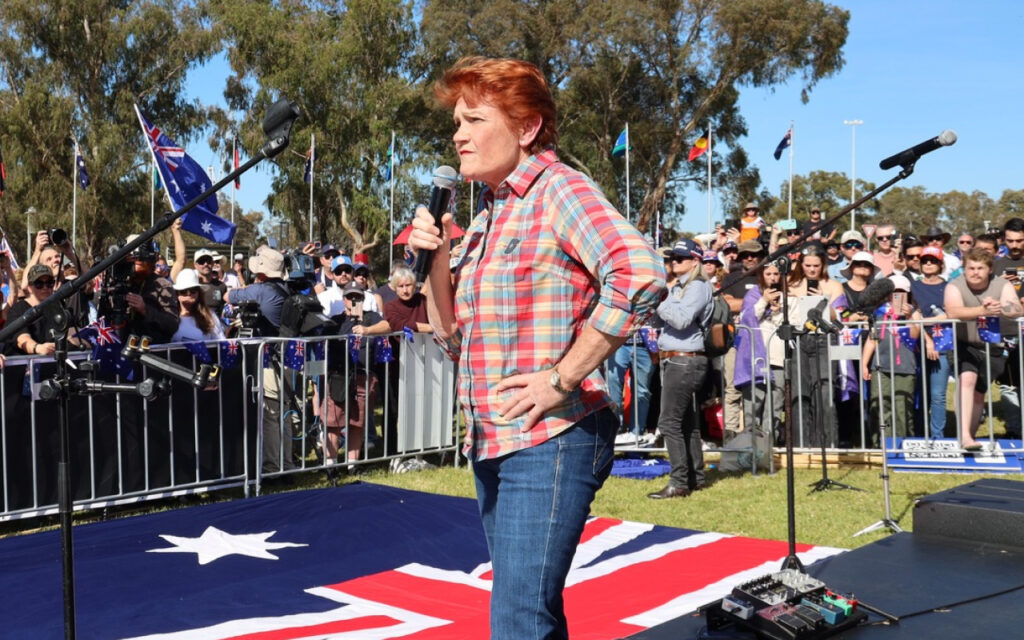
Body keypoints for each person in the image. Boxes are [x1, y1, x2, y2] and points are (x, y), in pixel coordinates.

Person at [407, 56, 665, 640]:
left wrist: (562, 377)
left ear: (525, 128)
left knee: (520, 616)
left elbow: (640, 272)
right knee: (530, 607)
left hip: (552, 436)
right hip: (493, 436)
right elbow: (451, 336)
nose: (458, 134)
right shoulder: (484, 217)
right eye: (456, 121)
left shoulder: (559, 189)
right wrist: (439, 262)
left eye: (474, 119)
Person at [649, 238, 712, 497]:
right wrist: (657, 304)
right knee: (686, 421)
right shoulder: (679, 287)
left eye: (679, 258)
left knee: (669, 422)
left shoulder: (697, 286)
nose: (673, 262)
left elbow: (682, 319)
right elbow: (662, 320)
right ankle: (694, 477)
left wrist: (660, 300)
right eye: (672, 258)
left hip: (683, 359)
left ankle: (679, 482)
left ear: (695, 261)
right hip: (678, 357)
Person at [945, 247, 1023, 450]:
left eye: (980, 268)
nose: (975, 272)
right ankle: (964, 437)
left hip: (992, 345)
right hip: (963, 343)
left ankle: (969, 437)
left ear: (990, 270)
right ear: (964, 268)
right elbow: (953, 311)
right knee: (966, 380)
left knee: (979, 392)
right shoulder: (955, 285)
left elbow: (1016, 309)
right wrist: (982, 310)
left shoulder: (1002, 284)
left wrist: (1000, 308)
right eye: (971, 268)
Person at [324, 282, 390, 466]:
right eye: (350, 297)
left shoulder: (371, 316)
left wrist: (367, 329)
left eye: (358, 297)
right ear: (343, 299)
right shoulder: (336, 320)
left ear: (364, 298)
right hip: (338, 376)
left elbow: (387, 326)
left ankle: (352, 465)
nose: (354, 300)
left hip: (363, 376)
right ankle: (331, 465)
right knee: (334, 422)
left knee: (357, 422)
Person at [788, 245, 843, 448]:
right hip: (800, 340)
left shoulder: (834, 286)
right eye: (808, 265)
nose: (812, 270)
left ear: (823, 265)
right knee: (799, 393)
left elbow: (840, 317)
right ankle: (801, 445)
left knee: (825, 392)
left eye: (816, 266)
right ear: (801, 265)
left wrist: (822, 299)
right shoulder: (791, 285)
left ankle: (828, 444)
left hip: (825, 341)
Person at [861, 275, 922, 444]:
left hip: (905, 366)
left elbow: (915, 336)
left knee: (902, 407)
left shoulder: (914, 311)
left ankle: (903, 443)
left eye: (901, 292)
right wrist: (864, 363)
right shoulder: (879, 312)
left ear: (908, 293)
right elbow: (872, 339)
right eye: (893, 292)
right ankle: (880, 443)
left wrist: (909, 317)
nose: (897, 295)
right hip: (880, 365)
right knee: (880, 404)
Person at [734, 260, 786, 451]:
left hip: (777, 357)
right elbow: (747, 317)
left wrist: (779, 309)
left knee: (775, 404)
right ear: (761, 276)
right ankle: (750, 445)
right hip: (755, 357)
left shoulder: (787, 295)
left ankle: (767, 447)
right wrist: (764, 301)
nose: (773, 278)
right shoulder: (753, 295)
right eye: (768, 274)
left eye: (776, 274)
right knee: (753, 403)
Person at [911, 246, 951, 439]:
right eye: (924, 260)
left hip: (943, 346)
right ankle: (918, 434)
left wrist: (929, 323)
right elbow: (911, 314)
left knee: (937, 395)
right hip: (917, 346)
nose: (928, 264)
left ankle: (937, 436)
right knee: (918, 395)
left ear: (940, 264)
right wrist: (927, 339)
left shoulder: (950, 287)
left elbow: (953, 312)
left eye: (932, 260)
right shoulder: (913, 286)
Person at [992, 218, 1024, 439]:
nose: (1015, 245)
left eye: (1020, 241)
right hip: (1005, 331)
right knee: (1008, 385)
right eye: (1010, 240)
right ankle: (1014, 429)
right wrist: (998, 283)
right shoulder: (995, 266)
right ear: (1003, 239)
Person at [171, 269, 225, 342]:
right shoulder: (169, 316)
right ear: (177, 293)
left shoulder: (209, 316)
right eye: (183, 291)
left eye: (193, 290)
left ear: (199, 293)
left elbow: (221, 342)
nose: (188, 294)